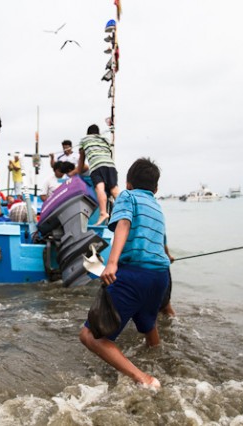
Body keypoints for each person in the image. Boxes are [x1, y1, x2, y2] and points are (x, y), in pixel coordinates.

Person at [80, 158, 170, 389]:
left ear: (128, 184)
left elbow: (123, 224)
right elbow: (163, 244)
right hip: (160, 276)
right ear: (156, 189)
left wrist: (111, 264)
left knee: (90, 336)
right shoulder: (157, 208)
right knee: (149, 327)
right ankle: (163, 364)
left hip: (135, 274)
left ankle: (145, 379)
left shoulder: (127, 197)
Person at [78, 124, 120, 225]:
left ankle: (103, 213)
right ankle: (124, 211)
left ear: (88, 133)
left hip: (97, 166)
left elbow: (81, 159)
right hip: (111, 166)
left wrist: (78, 173)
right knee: (114, 190)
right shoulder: (105, 140)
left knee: (99, 188)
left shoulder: (84, 140)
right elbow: (109, 152)